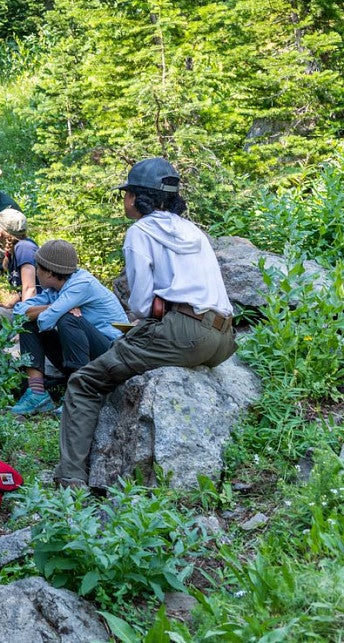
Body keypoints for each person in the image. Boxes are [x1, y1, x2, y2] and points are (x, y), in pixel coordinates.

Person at [56, 157, 236, 489]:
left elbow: (140, 304)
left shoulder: (139, 231)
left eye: (127, 193)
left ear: (141, 197)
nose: (124, 200)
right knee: (126, 349)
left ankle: (70, 482)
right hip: (223, 338)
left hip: (185, 334)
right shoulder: (192, 230)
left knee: (85, 382)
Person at [9, 240, 127, 415]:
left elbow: (45, 322)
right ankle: (36, 394)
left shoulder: (81, 284)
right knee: (29, 321)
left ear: (49, 272)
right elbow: (19, 313)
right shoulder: (55, 288)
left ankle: (79, 394)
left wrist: (56, 311)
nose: (36, 273)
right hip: (87, 356)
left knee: (67, 318)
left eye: (38, 268)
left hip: (109, 355)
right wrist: (52, 307)